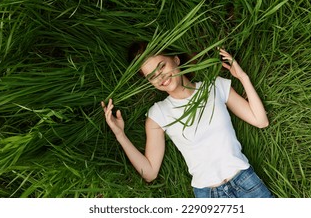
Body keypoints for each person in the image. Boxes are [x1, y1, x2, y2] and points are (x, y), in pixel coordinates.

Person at [101, 42, 273, 198]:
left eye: (161, 67)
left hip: (245, 182)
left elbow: (260, 121)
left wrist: (243, 77)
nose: (160, 77)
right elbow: (150, 172)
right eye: (152, 76)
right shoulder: (158, 114)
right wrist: (120, 135)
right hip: (208, 195)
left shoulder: (214, 86)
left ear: (175, 60)